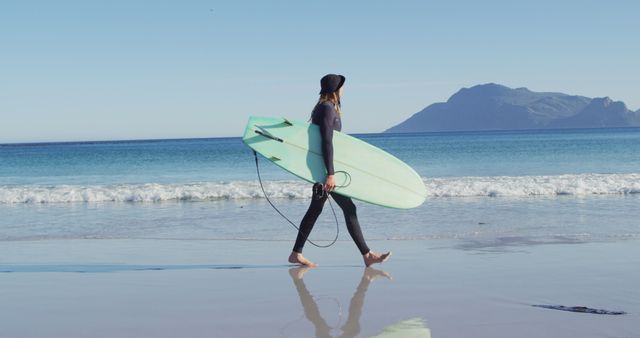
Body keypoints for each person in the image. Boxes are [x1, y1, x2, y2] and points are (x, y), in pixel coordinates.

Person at [288, 74, 391, 267]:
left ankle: (296, 253)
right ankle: (367, 255)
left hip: (321, 168)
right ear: (336, 89)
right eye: (342, 87)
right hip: (324, 170)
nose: (344, 90)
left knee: (316, 209)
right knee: (347, 208)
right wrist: (330, 173)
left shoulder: (325, 108)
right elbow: (327, 141)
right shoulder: (327, 109)